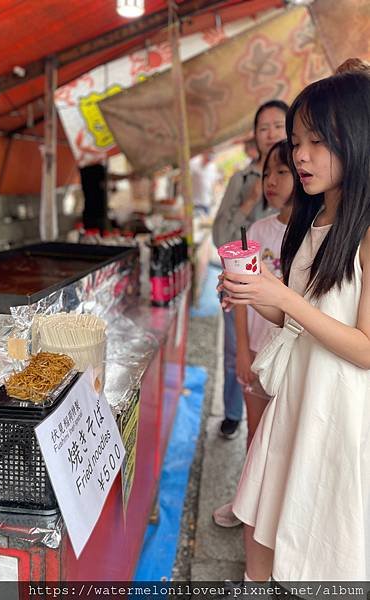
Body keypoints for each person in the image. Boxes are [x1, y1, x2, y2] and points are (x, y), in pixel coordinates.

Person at [220, 71, 370, 581]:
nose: (300, 155)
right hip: (295, 397)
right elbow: (297, 317)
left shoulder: (366, 233)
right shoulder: (310, 221)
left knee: (325, 538)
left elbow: (366, 348)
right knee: (262, 519)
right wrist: (257, 294)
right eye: (296, 141)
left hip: (338, 410)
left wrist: (282, 296)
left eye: (317, 142)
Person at [213, 140, 294, 528]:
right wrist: (241, 351)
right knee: (254, 436)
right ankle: (245, 505)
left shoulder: (314, 234)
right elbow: (241, 299)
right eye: (266, 173)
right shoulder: (258, 232)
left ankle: (273, 517)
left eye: (282, 172)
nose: (271, 181)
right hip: (258, 351)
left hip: (291, 356)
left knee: (283, 445)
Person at [212, 100, 288, 439]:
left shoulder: (310, 193)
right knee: (236, 354)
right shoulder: (241, 180)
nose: (270, 133)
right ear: (255, 136)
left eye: (278, 126)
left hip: (282, 313)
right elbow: (220, 237)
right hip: (242, 291)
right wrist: (248, 200)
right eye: (263, 127)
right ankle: (232, 413)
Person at [190, 150, 219, 216]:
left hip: (206, 202)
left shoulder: (213, 167)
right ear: (204, 154)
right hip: (194, 203)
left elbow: (213, 183)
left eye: (210, 159)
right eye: (207, 158)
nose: (208, 161)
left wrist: (214, 198)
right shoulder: (193, 162)